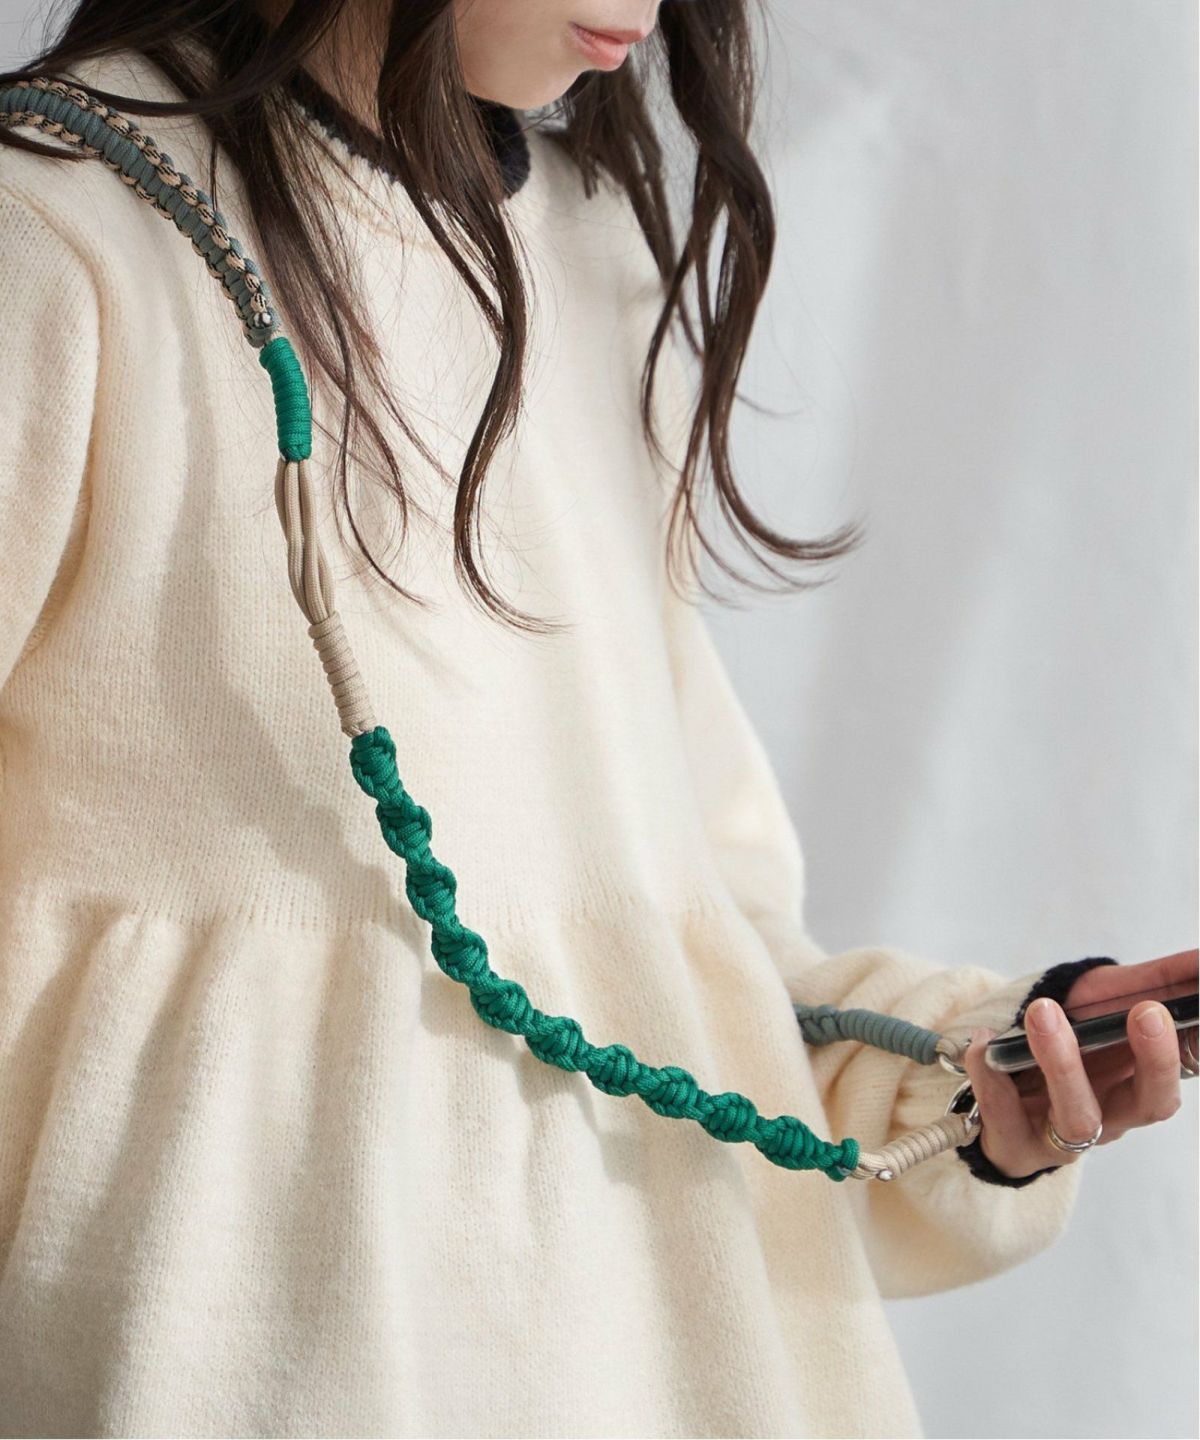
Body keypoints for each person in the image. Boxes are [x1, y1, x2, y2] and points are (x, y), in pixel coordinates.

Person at [0, 2, 1193, 1434]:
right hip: (249, 1359)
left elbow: (700, 954)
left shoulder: (589, 247)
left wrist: (972, 1077)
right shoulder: (55, 228)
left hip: (669, 1365)